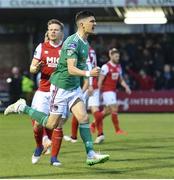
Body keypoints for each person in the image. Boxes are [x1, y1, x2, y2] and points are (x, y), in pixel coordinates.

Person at [4, 11, 109, 166]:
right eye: (92, 21)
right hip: (60, 88)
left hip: (73, 88)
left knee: (84, 118)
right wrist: (89, 73)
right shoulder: (72, 42)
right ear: (82, 24)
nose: (95, 24)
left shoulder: (85, 43)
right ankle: (22, 107)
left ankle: (91, 154)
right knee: (51, 124)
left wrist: (87, 80)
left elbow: (77, 69)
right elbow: (71, 69)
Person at [29, 19, 64, 164]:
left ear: (61, 33)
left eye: (56, 30)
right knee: (37, 124)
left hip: (61, 91)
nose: (53, 32)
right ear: (47, 32)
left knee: (57, 125)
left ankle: (54, 158)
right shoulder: (41, 47)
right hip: (43, 90)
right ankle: (39, 146)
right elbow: (31, 67)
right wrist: (36, 68)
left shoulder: (67, 49)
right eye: (50, 30)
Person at [64, 46, 104, 143]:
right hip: (93, 81)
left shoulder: (84, 50)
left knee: (77, 108)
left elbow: (88, 66)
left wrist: (89, 84)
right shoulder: (92, 50)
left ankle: (74, 137)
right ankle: (100, 134)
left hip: (89, 84)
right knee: (94, 109)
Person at [95, 48, 131, 143]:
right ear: (111, 56)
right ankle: (118, 130)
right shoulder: (105, 67)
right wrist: (99, 93)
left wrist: (126, 87)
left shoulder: (119, 67)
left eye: (118, 56)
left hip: (113, 92)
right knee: (114, 108)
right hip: (107, 91)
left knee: (106, 111)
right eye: (116, 56)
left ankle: (94, 124)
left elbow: (121, 79)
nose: (117, 58)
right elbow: (100, 80)